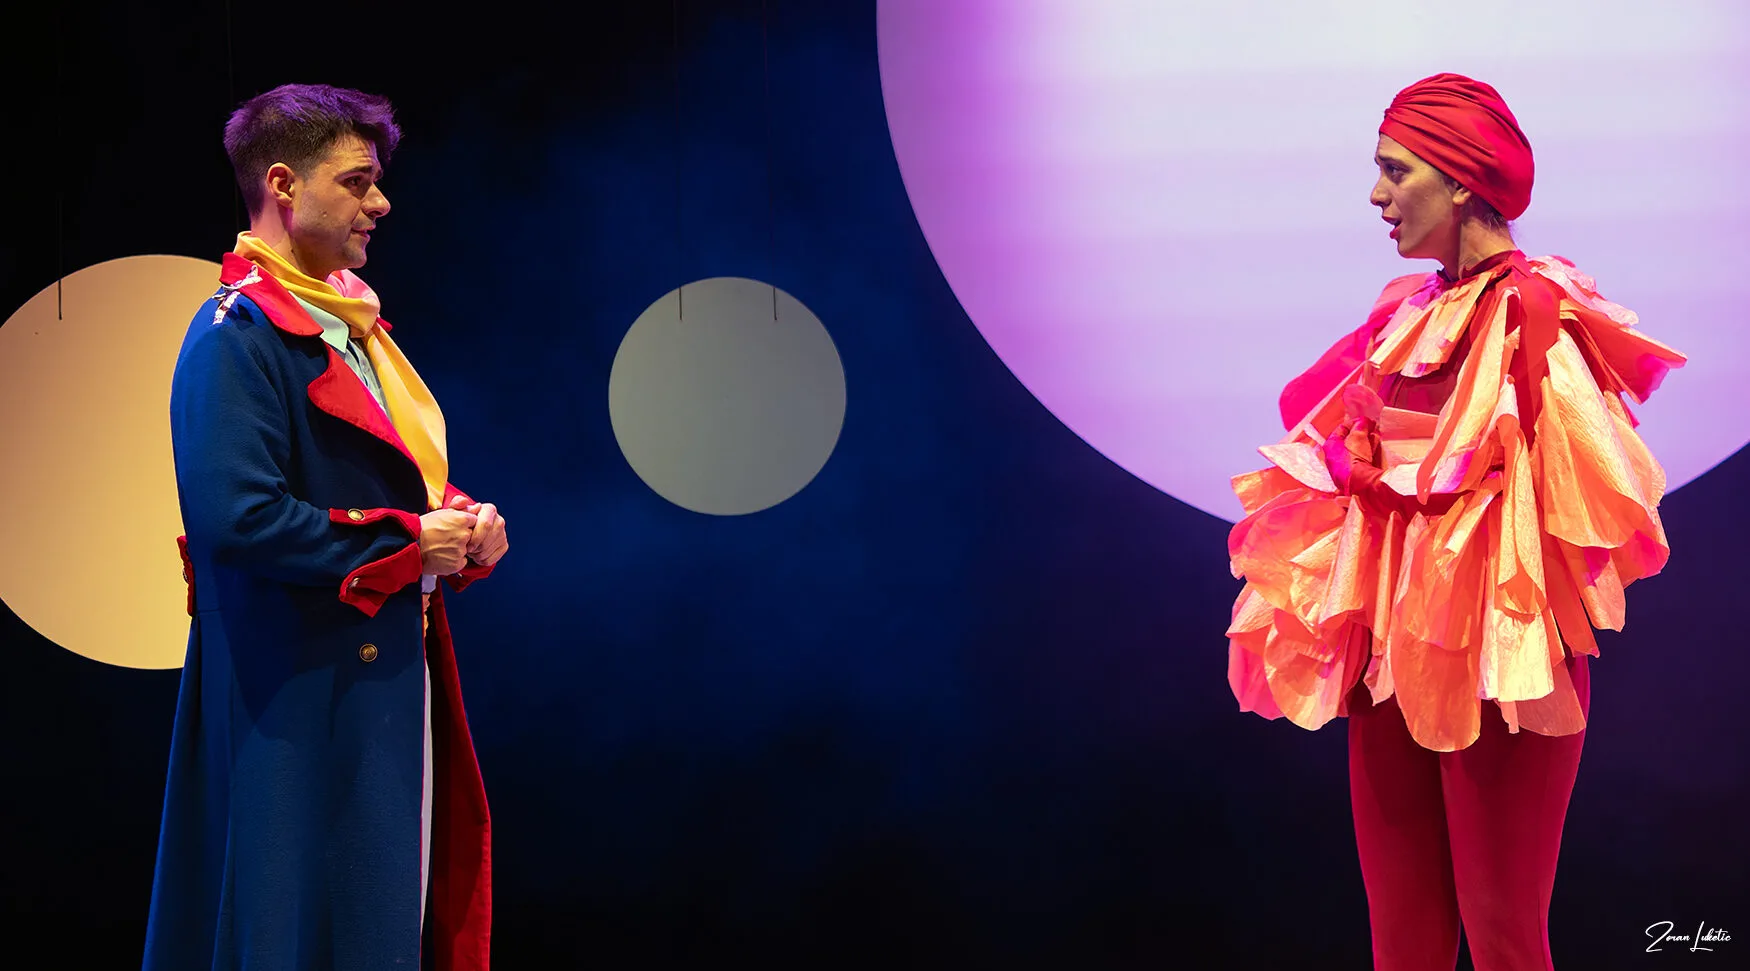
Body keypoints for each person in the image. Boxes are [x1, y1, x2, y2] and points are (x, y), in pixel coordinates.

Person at [1225, 74, 1685, 970]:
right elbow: (1323, 438)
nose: (1376, 194)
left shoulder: (1538, 314)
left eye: (1396, 170)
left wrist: (1401, 484)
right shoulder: (1402, 315)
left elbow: (1585, 503)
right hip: (1390, 654)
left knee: (1505, 935)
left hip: (1504, 660)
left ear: (1463, 180)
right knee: (1401, 942)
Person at [143, 83, 508, 971]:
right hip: (293, 693)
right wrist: (405, 543)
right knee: (290, 930)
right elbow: (239, 518)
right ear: (282, 184)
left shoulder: (348, 323)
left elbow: (375, 476)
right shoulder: (235, 334)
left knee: (375, 924)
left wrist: (459, 523)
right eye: (356, 182)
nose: (379, 203)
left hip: (370, 681)